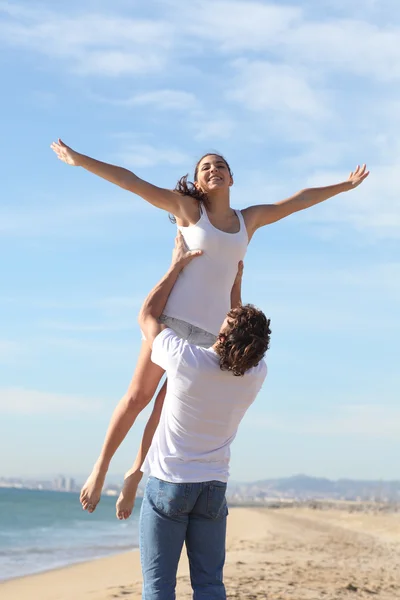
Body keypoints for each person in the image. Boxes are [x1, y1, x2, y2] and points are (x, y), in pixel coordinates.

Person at [50, 139, 369, 517]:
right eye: (205, 166)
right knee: (138, 398)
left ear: (232, 177)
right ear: (198, 182)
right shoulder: (188, 210)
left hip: (212, 336)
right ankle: (100, 468)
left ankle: (135, 472)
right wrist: (80, 160)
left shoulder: (247, 220)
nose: (213, 168)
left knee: (165, 410)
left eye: (220, 164)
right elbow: (132, 182)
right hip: (171, 319)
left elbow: (297, 201)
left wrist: (344, 187)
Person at [137, 230, 270, 599]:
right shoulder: (255, 375)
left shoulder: (187, 359)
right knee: (210, 584)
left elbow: (147, 316)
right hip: (213, 488)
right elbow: (240, 339)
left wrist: (176, 265)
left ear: (225, 336)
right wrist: (235, 289)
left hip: (170, 484)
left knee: (159, 586)